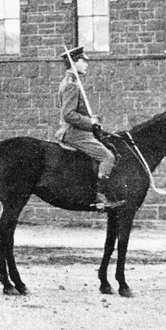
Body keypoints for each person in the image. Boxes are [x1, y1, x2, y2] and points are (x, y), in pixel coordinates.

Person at [57, 46, 125, 210]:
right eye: (83, 61)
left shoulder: (71, 82)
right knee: (108, 157)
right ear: (74, 63)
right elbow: (68, 115)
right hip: (75, 133)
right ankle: (100, 197)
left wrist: (93, 120)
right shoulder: (72, 85)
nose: (86, 64)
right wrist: (90, 122)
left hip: (80, 131)